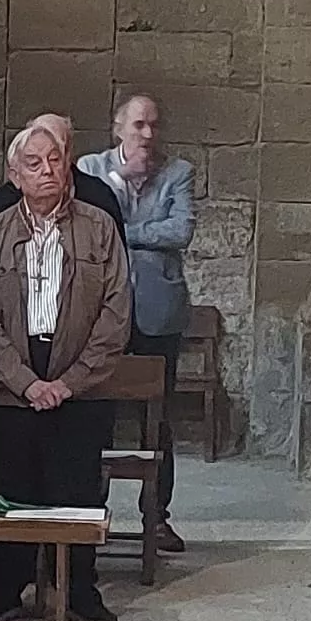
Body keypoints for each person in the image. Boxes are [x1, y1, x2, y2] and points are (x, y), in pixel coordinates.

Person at [0, 124, 131, 621]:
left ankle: (80, 590)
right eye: (33, 163)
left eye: (54, 160)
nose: (46, 171)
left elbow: (116, 309)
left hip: (77, 380)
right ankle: (4, 590)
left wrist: (70, 381)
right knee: (11, 491)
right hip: (12, 382)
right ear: (15, 176)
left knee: (78, 491)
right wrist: (24, 382)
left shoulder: (99, 226)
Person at [77, 94, 195, 554]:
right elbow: (86, 226)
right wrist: (116, 183)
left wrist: (121, 232)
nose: (148, 134)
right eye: (139, 125)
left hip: (156, 311)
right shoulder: (91, 167)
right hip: (99, 312)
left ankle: (157, 518)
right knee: (95, 414)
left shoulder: (177, 173)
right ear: (118, 128)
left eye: (154, 125)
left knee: (157, 419)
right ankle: (92, 510)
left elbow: (180, 232)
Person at [0, 114, 126, 248]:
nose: (47, 169)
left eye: (55, 156)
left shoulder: (99, 198)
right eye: (35, 161)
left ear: (69, 154)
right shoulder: (1, 203)